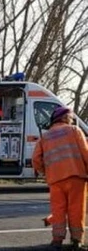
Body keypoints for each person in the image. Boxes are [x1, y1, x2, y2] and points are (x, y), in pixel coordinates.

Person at [32, 106, 88, 251]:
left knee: (58, 209)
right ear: (64, 118)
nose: (72, 119)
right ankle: (76, 240)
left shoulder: (45, 136)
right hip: (76, 176)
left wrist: (45, 171)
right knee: (76, 209)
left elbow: (36, 159)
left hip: (55, 179)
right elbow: (86, 153)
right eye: (70, 117)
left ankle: (57, 239)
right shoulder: (74, 131)